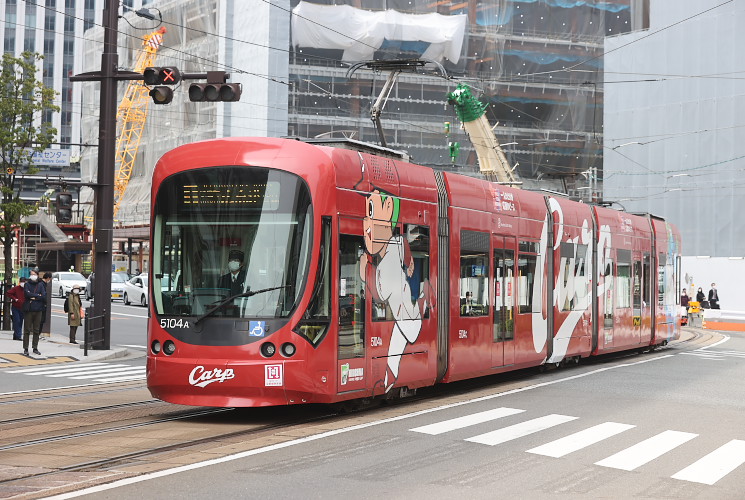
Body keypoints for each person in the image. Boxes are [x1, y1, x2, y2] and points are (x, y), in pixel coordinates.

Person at [23, 270, 46, 356]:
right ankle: (25, 348)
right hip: (29, 309)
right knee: (27, 330)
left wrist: (34, 297)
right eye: (31, 274)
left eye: (34, 274)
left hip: (38, 309)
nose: (33, 276)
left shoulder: (40, 285)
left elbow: (43, 296)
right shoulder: (27, 284)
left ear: (37, 275)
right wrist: (37, 296)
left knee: (36, 330)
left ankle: (35, 347)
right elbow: (27, 294)